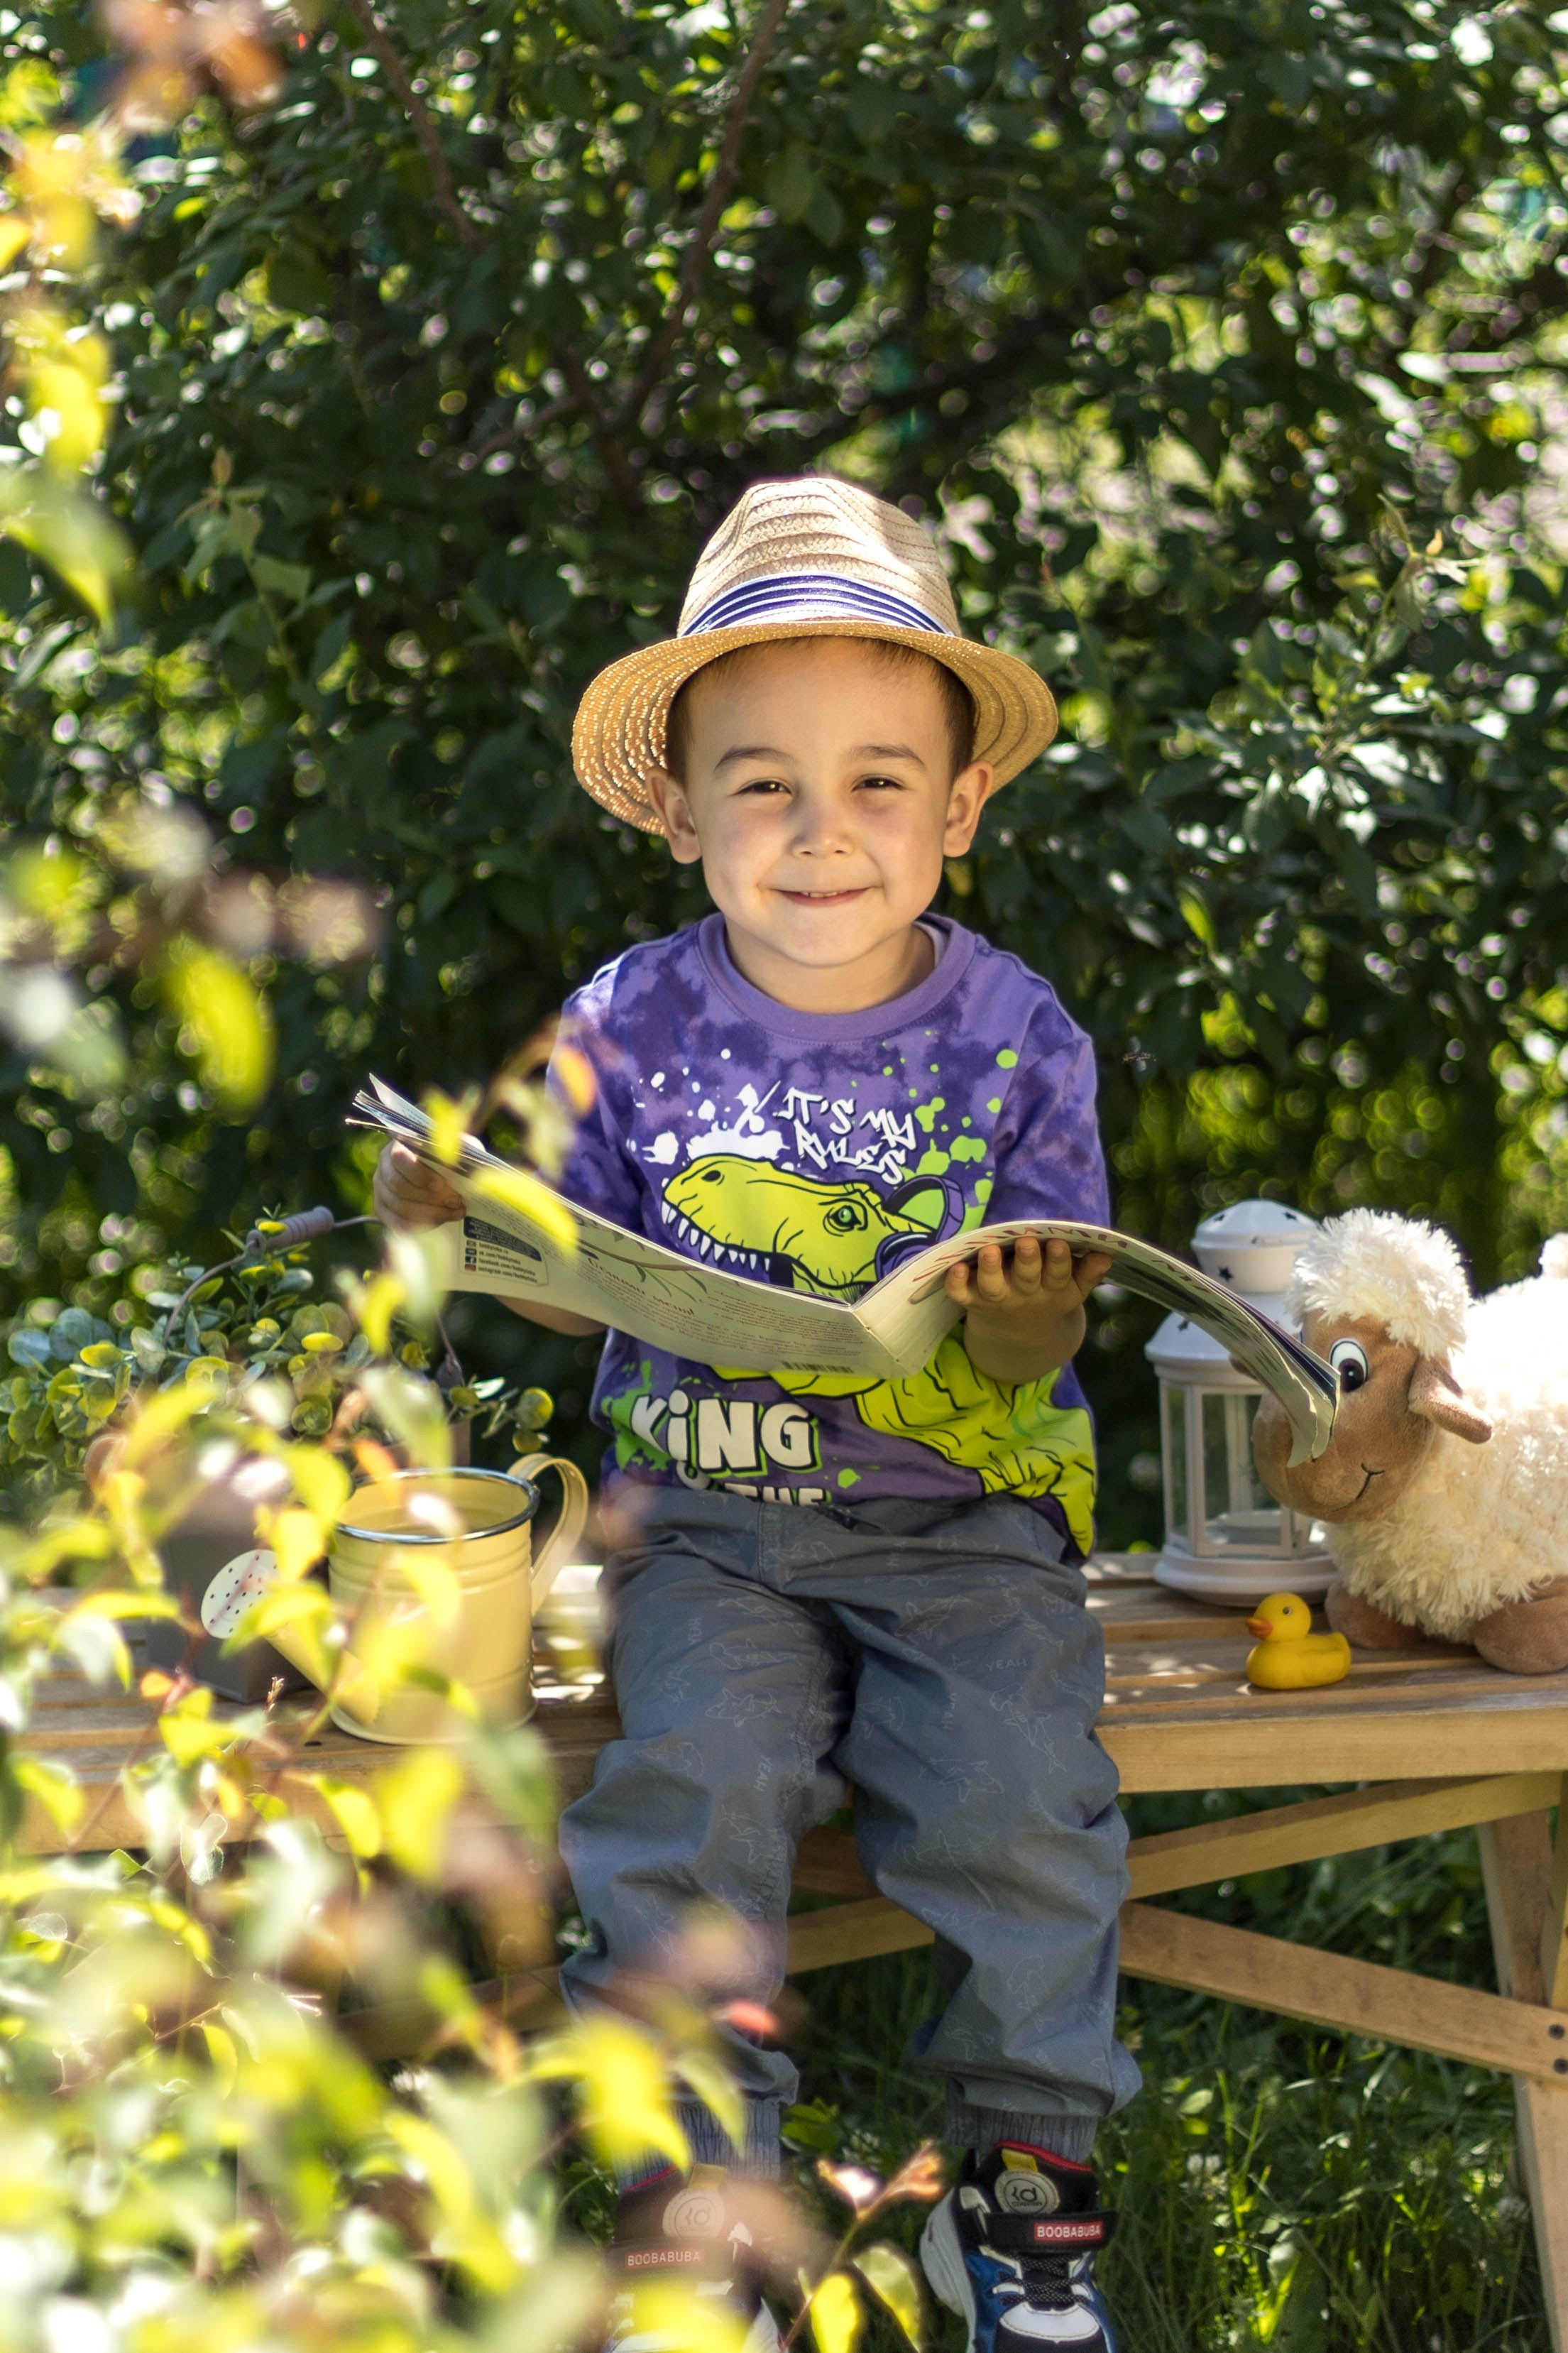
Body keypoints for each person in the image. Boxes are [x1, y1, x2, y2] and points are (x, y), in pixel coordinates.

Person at [376, 476, 1138, 2353]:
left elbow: (1032, 1354)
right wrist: (477, 1237)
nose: (819, 832)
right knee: (686, 1784)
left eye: (878, 779)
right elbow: (583, 1281)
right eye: (763, 782)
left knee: (1021, 1792)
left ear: (958, 810)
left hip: (962, 1520)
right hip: (708, 1527)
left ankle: (1023, 2207)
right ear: (679, 808)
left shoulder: (1016, 1031)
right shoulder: (629, 1019)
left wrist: (1032, 1325)